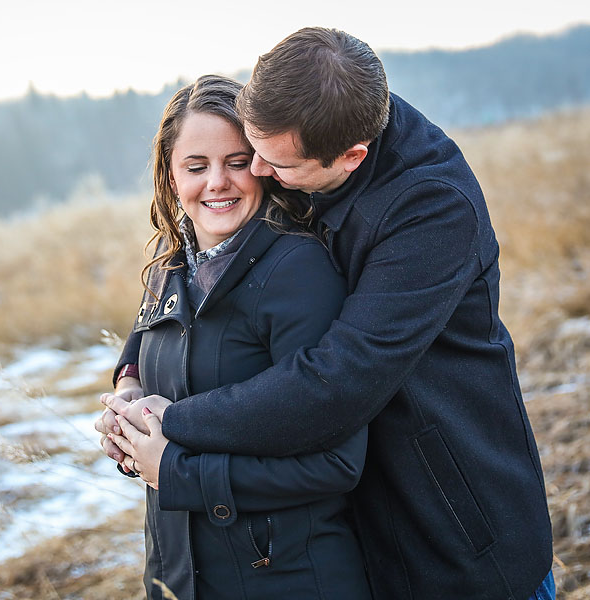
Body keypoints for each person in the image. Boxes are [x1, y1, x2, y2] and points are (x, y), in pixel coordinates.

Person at [99, 28, 556, 600]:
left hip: (456, 534)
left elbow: (336, 382)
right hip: (354, 535)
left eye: (269, 162)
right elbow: (184, 272)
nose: (255, 173)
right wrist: (131, 376)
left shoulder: (432, 211)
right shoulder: (310, 125)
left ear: (351, 156)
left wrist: (176, 423)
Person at [105, 73, 372, 600]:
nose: (217, 183)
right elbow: (144, 344)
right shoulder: (169, 262)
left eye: (236, 162)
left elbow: (337, 462)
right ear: (170, 175)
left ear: (264, 165)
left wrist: (178, 471)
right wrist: (127, 390)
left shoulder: (299, 270)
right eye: (196, 166)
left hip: (286, 579)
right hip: (177, 575)